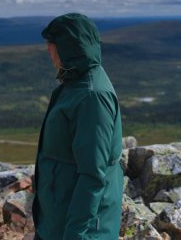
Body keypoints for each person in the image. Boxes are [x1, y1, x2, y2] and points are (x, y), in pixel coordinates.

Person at [32, 13, 123, 240]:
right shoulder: (76, 84)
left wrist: (76, 234)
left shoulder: (92, 97)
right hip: (59, 219)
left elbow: (93, 175)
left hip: (81, 229)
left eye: (51, 44)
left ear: (67, 47)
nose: (48, 50)